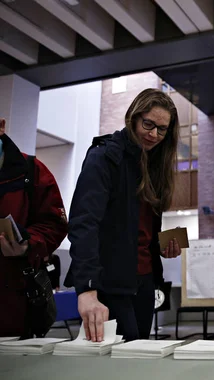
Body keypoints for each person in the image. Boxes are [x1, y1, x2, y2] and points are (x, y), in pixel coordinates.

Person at [65, 89, 182, 342]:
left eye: (161, 129)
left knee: (138, 359)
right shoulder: (104, 157)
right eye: (148, 124)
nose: (153, 134)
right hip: (110, 282)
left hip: (145, 280)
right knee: (115, 362)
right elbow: (83, 224)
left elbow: (134, 227)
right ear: (133, 117)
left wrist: (161, 244)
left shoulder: (153, 164)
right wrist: (86, 289)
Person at [0, 118, 68, 337]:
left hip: (15, 307)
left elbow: (55, 224)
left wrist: (27, 243)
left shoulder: (32, 171)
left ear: (1, 126)